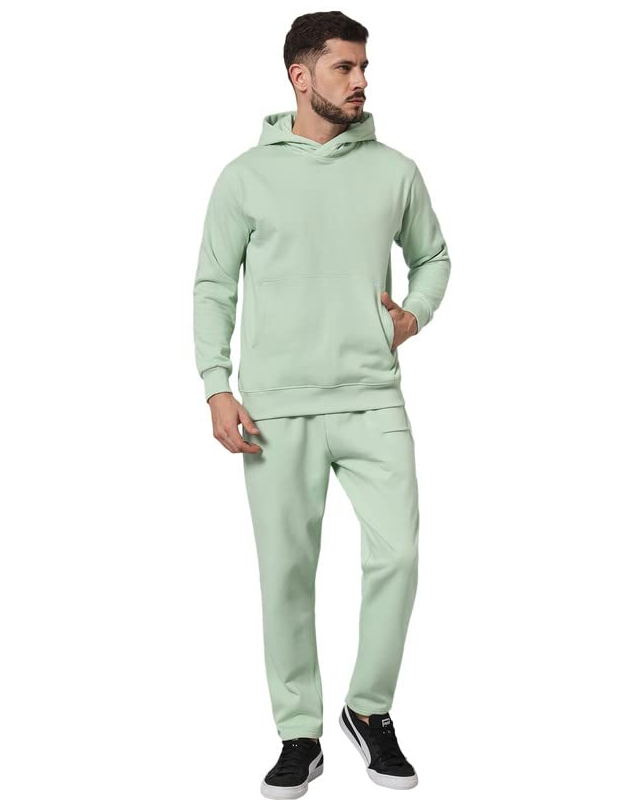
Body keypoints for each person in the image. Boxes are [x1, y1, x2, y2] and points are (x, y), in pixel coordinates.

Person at [193, 11, 451, 798]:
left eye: (364, 67)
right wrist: (217, 386)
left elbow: (434, 257)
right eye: (345, 67)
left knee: (398, 557)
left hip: (372, 397)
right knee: (286, 574)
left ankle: (368, 710)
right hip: (275, 407)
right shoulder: (245, 177)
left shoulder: (395, 170)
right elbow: (213, 285)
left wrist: (412, 315)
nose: (361, 81)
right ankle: (298, 733)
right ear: (300, 77)